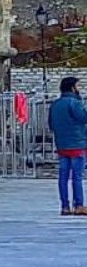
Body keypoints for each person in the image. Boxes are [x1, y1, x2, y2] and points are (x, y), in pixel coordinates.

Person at [48, 76, 87, 216]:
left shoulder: (55, 104)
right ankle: (79, 205)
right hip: (77, 143)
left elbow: (51, 124)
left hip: (62, 145)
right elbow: (83, 118)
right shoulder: (74, 103)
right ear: (72, 87)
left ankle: (65, 206)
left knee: (63, 176)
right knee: (77, 176)